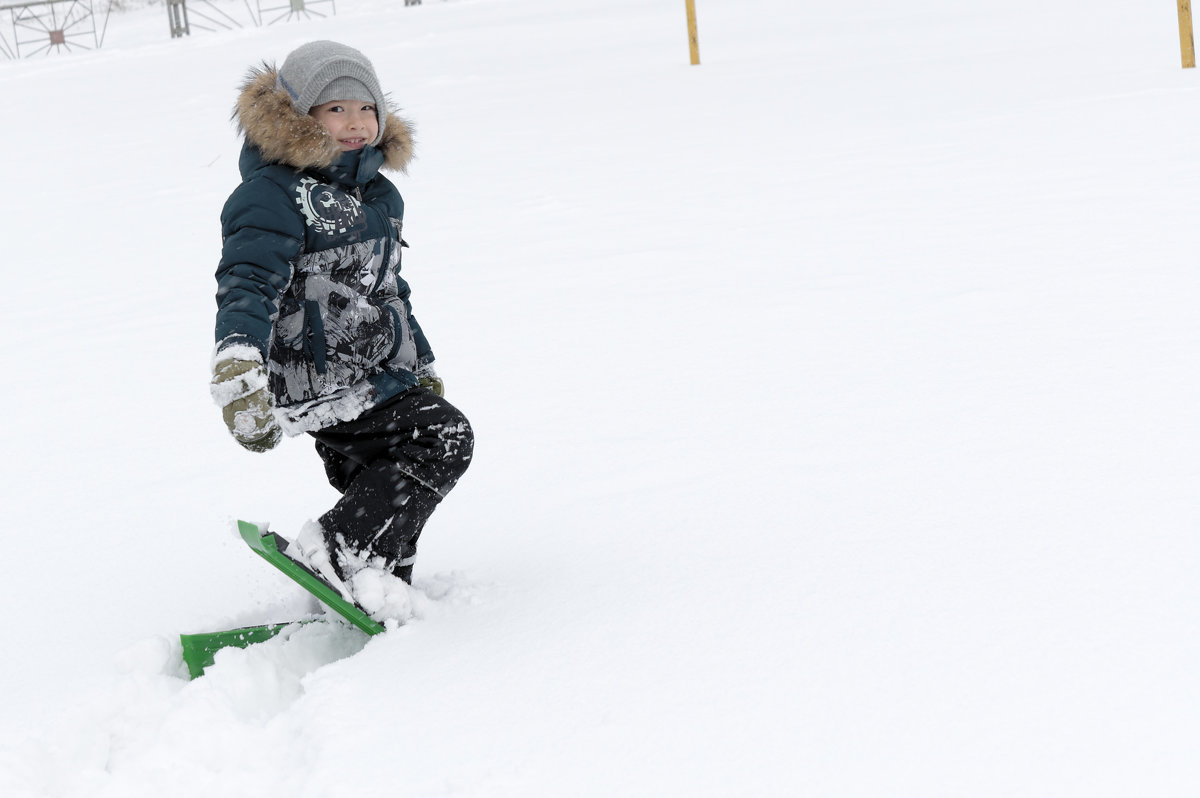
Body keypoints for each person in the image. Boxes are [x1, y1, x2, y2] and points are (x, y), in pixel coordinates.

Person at [210, 41, 473, 606]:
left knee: (383, 480)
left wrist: (418, 365)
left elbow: (388, 291)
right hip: (318, 374)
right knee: (441, 439)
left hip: (374, 371)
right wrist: (238, 364)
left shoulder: (381, 195)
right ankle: (336, 551)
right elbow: (248, 281)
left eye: (366, 108)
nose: (355, 124)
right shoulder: (272, 194)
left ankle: (378, 586)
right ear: (300, 115)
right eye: (335, 109)